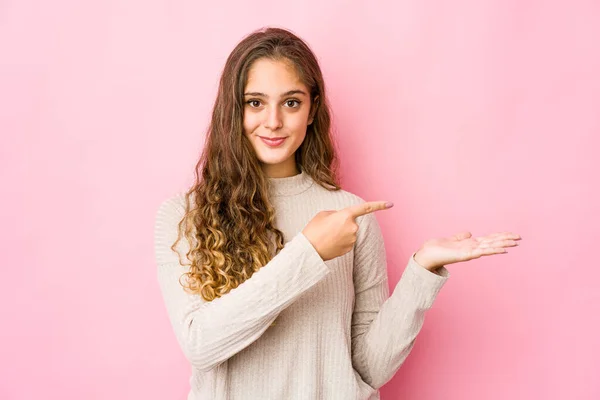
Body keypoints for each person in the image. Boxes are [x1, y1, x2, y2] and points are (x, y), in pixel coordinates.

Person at [154, 27, 521, 400]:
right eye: (255, 103)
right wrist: (308, 252)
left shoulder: (350, 216)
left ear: (312, 110)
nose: (274, 121)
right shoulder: (184, 216)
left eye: (292, 103)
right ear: (234, 110)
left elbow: (370, 368)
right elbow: (200, 344)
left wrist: (421, 271)